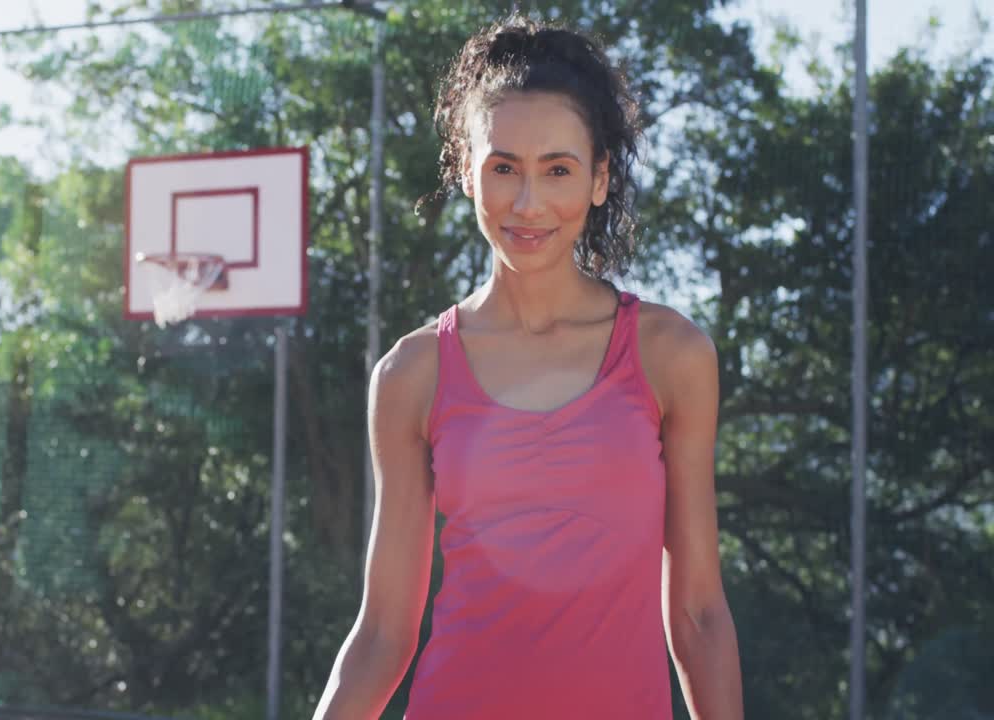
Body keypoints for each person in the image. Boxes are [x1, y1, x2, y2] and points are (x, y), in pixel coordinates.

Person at [311, 13, 743, 720]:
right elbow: (384, 634)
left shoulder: (672, 356)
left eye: (559, 170)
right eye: (503, 167)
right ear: (465, 172)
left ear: (601, 178)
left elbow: (697, 614)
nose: (529, 202)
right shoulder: (410, 375)